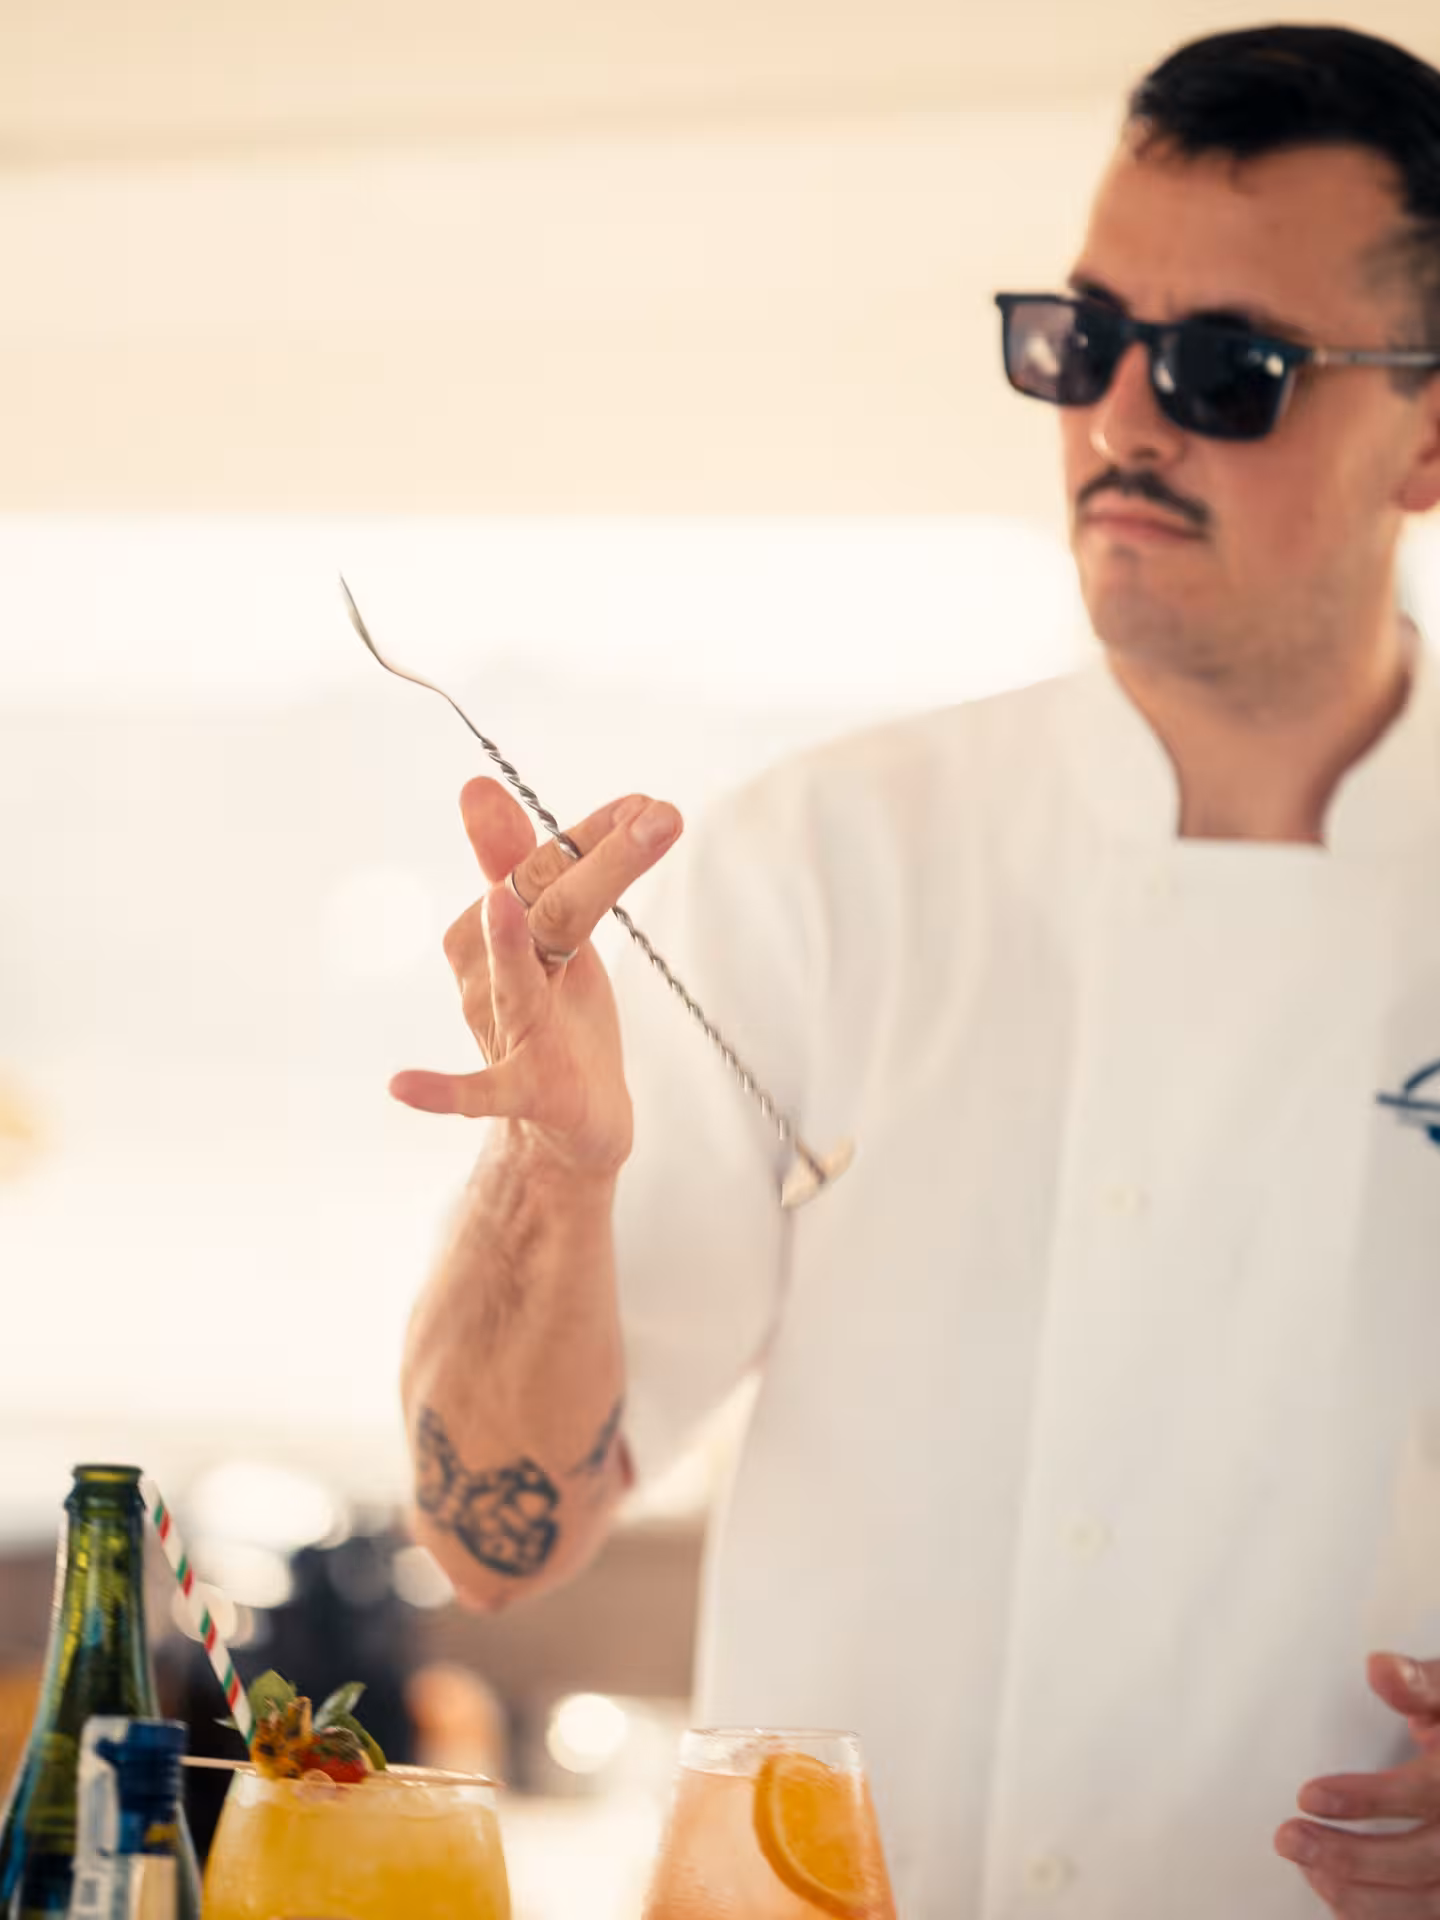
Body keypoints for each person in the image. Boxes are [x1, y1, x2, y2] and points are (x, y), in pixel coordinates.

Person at [393, 25, 1440, 1919]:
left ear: (1429, 435)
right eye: (1079, 339)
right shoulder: (825, 861)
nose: (1122, 420)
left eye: (1227, 369)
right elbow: (493, 1549)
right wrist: (549, 1179)